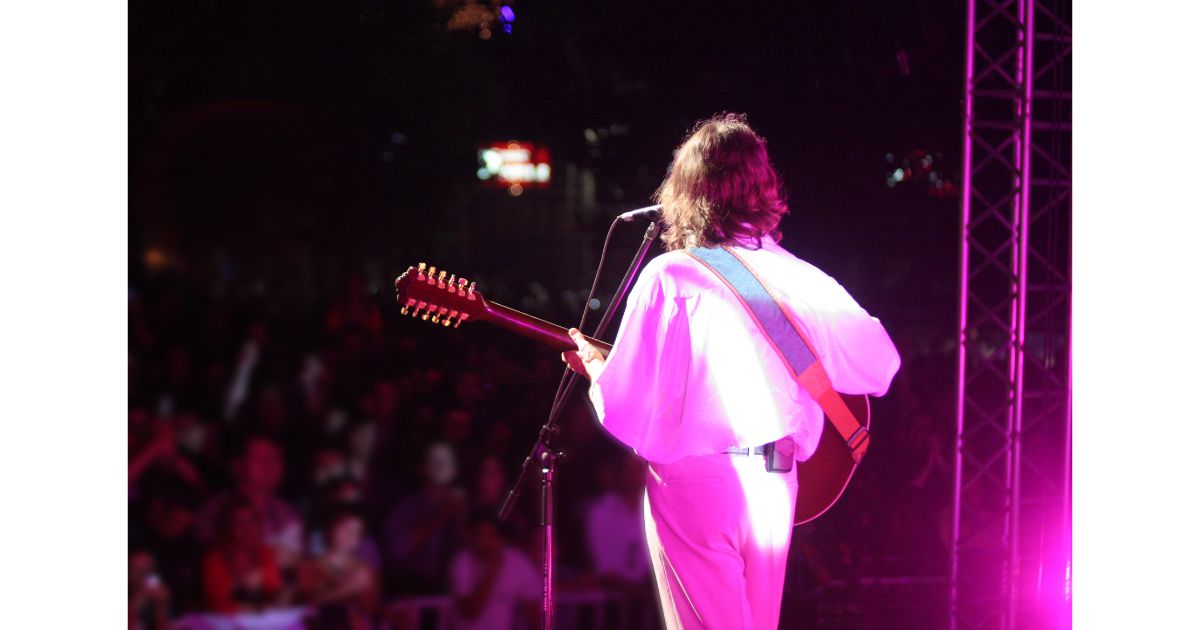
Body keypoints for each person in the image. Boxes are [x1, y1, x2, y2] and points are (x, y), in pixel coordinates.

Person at [563, 113, 901, 629]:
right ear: (763, 188)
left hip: (699, 482)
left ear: (686, 190)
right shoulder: (802, 277)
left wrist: (596, 369)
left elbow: (629, 401)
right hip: (774, 483)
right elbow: (880, 362)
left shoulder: (671, 274)